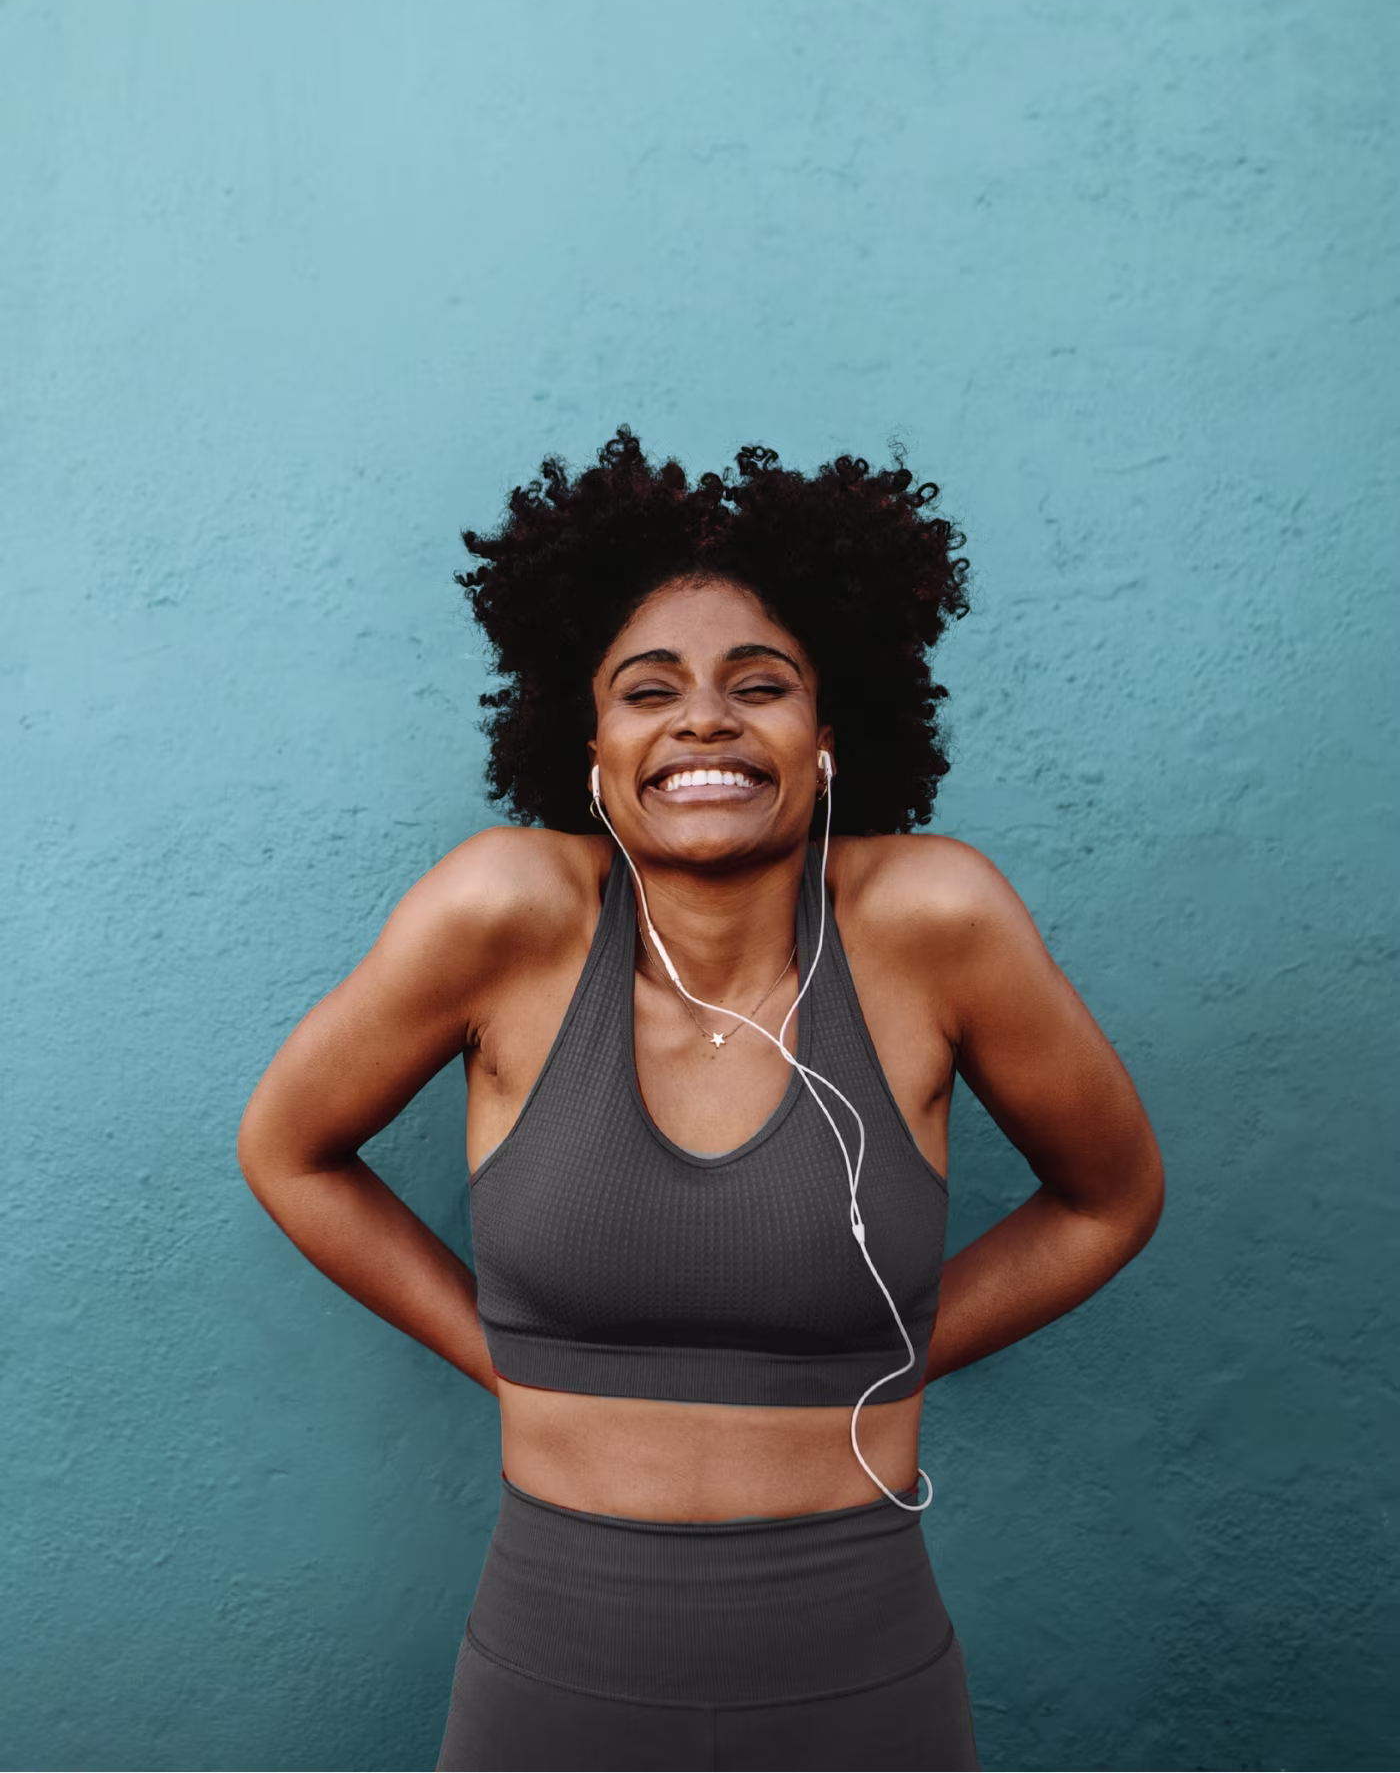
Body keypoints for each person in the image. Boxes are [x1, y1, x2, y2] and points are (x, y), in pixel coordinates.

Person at [237, 427, 1164, 1771]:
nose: (706, 719)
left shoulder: (934, 923)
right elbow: (288, 1148)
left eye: (761, 685)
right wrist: (501, 1353)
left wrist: (897, 1349)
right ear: (593, 743)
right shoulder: (504, 913)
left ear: (828, 739)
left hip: (863, 1684)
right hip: (550, 1682)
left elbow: (1112, 1197)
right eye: (649, 690)